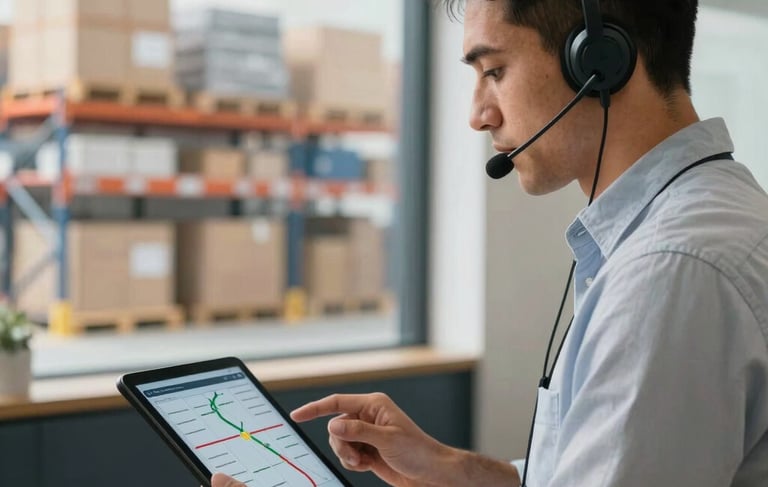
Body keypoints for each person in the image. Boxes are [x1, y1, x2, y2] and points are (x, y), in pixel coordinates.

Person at [213, 0, 768, 485]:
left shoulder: (670, 273)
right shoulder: (698, 224)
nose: (478, 115)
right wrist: (458, 474)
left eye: (494, 70)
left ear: (599, 62)